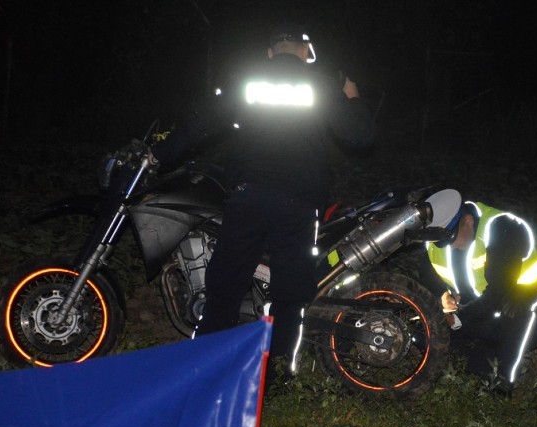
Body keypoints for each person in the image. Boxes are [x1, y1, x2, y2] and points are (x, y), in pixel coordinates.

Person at [150, 22, 375, 376]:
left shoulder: (249, 82)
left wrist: (158, 155)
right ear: (305, 52)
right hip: (298, 205)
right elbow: (362, 136)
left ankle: (205, 364)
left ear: (270, 52)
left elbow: (201, 124)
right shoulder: (321, 85)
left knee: (225, 284)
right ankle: (279, 370)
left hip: (247, 196)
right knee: (290, 293)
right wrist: (352, 96)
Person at [418, 200, 537, 392]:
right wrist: (443, 295)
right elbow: (427, 271)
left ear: (468, 221)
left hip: (525, 314)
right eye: (440, 242)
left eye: (451, 240)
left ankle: (504, 383)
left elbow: (497, 294)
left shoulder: (503, 227)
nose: (447, 247)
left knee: (525, 300)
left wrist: (456, 319)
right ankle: (476, 369)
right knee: (421, 333)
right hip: (481, 315)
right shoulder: (436, 239)